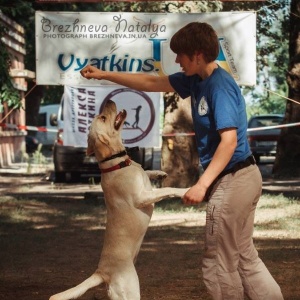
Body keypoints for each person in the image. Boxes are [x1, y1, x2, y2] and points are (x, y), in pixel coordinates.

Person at [80, 22, 283, 300]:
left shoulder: (219, 86)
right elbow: (152, 82)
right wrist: (104, 75)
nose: (176, 60)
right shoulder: (196, 80)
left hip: (235, 179)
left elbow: (229, 142)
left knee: (218, 262)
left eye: (181, 55)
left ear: (197, 54)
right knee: (244, 257)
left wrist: (202, 184)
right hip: (241, 177)